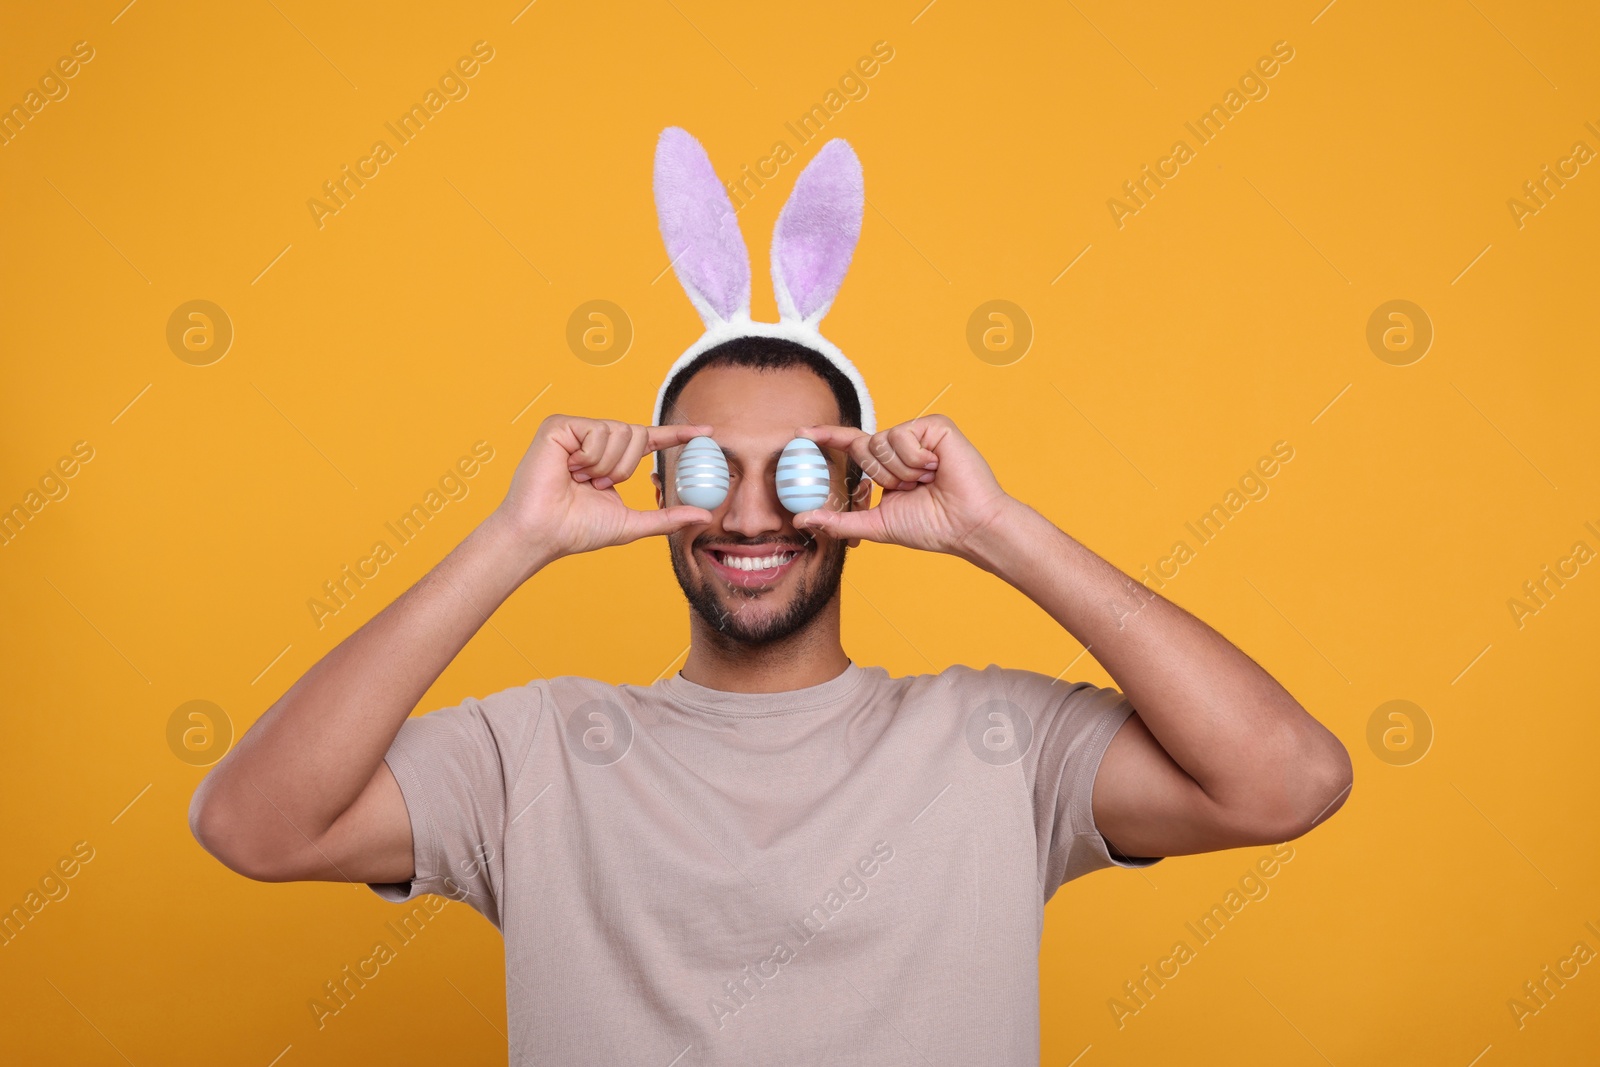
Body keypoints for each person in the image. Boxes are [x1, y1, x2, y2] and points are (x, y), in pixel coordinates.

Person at [188, 128, 1352, 1065]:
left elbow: (1287, 779)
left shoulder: (997, 744)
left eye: (797, 469)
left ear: (858, 482)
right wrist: (515, 539)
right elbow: (252, 823)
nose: (751, 516)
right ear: (654, 488)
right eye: (706, 468)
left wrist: (1000, 530)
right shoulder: (533, 755)